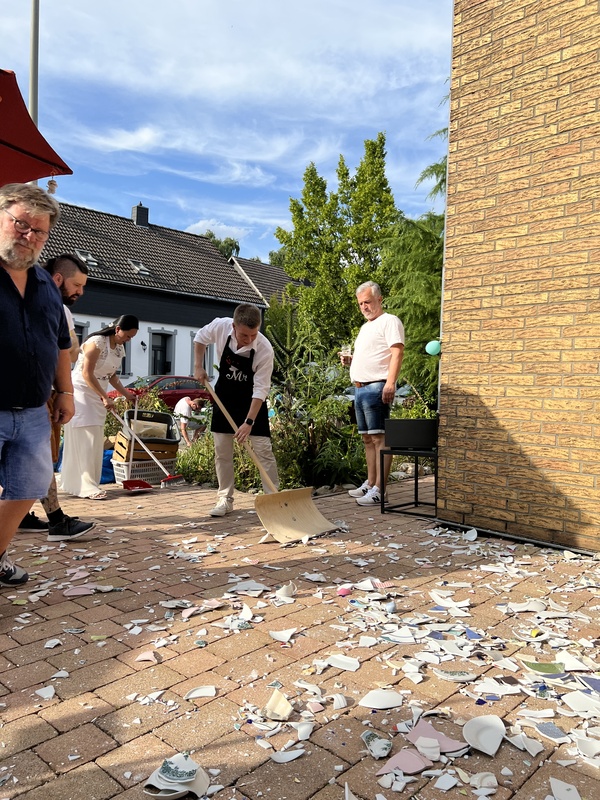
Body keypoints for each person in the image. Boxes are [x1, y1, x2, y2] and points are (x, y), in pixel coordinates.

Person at [0, 183, 74, 587]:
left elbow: (59, 343)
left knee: (29, 484)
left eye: (39, 231)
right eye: (21, 225)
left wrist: (66, 391)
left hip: (32, 411)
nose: (30, 236)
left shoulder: (46, 285)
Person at [18, 253, 96, 541]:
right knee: (38, 457)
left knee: (31, 457)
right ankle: (55, 520)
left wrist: (65, 392)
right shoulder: (55, 307)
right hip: (36, 394)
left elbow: (68, 351)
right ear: (58, 278)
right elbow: (70, 351)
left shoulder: (43, 303)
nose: (81, 292)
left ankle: (27, 514)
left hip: (41, 392)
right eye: (77, 285)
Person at [193, 303, 279, 517]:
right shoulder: (220, 326)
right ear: (233, 326)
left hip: (252, 402)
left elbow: (261, 389)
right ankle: (225, 498)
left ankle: (273, 499)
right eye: (244, 335)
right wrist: (198, 366)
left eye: (253, 334)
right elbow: (200, 338)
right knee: (222, 451)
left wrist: (249, 422)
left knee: (263, 451)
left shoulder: (264, 349)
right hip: (224, 398)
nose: (249, 339)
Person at [59, 315, 139, 500]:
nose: (128, 340)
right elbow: (86, 373)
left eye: (131, 337)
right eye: (128, 336)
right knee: (86, 435)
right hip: (82, 391)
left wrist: (126, 394)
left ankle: (91, 482)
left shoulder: (119, 348)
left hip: (99, 392)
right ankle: (83, 485)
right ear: (118, 329)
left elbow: (112, 376)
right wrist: (104, 397)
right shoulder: (96, 342)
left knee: (95, 437)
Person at [341, 281, 404, 506]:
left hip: (377, 386)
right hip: (360, 388)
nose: (364, 307)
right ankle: (370, 483)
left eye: (367, 302)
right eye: (360, 304)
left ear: (379, 299)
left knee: (379, 438)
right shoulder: (365, 327)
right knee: (367, 439)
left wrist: (390, 383)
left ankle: (380, 489)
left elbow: (397, 353)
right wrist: (351, 360)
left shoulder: (390, 321)